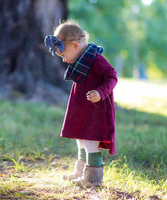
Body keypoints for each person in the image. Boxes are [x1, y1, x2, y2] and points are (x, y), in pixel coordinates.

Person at [44, 20, 118, 187]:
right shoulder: (81, 60)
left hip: (95, 108)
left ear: (76, 46)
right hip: (82, 108)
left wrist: (101, 92)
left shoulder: (96, 59)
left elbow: (112, 76)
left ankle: (93, 178)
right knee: (81, 139)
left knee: (91, 140)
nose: (63, 60)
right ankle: (80, 171)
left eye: (63, 55)